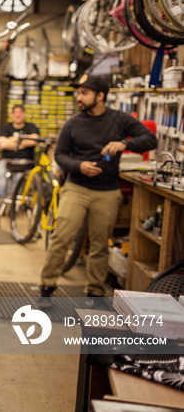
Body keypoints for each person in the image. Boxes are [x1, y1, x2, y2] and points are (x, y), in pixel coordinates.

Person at [38, 74, 157, 308]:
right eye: (78, 92)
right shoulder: (73, 123)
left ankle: (94, 292)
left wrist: (125, 144)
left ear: (100, 96)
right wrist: (79, 166)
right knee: (61, 238)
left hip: (107, 191)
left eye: (84, 92)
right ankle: (46, 286)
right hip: (76, 188)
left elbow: (150, 139)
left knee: (99, 244)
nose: (78, 97)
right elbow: (60, 155)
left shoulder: (119, 120)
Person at [0, 104, 40, 200]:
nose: (18, 115)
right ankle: (3, 199)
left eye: (20, 112)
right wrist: (23, 142)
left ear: (24, 114)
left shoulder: (31, 127)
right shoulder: (5, 127)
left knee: (19, 177)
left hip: (26, 162)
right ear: (12, 115)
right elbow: (3, 144)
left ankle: (14, 201)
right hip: (7, 160)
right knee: (1, 172)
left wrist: (13, 141)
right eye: (15, 112)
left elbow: (35, 140)